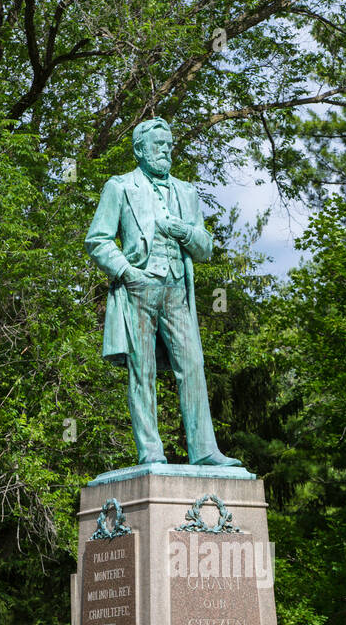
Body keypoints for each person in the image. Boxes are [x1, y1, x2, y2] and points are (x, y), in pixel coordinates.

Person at [85, 118, 242, 467]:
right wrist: (128, 273)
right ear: (140, 149)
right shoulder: (120, 187)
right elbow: (97, 239)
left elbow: (205, 248)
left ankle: (204, 450)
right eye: (158, 145)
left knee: (193, 365)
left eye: (169, 145)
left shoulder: (186, 192)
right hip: (139, 288)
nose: (166, 151)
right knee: (143, 372)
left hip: (176, 290)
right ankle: (151, 451)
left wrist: (183, 230)